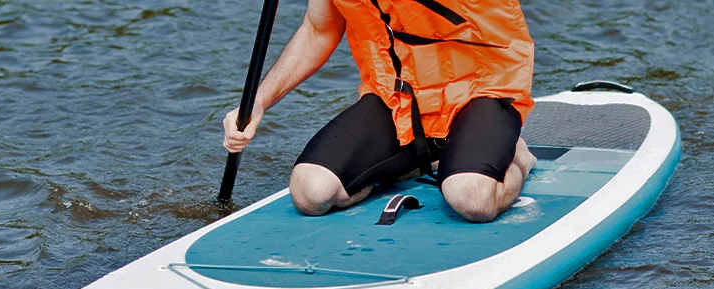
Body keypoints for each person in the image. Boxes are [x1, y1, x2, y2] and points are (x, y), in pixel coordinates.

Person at [223, 0, 537, 222]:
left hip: (482, 87)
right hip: (398, 98)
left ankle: (517, 156)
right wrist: (258, 103)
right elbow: (319, 30)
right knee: (310, 191)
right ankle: (422, 158)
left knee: (471, 198)